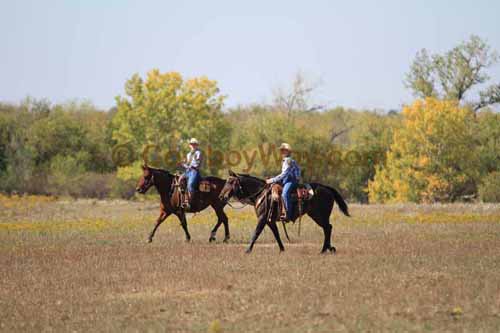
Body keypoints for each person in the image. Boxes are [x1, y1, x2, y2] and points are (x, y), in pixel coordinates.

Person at [266, 143, 301, 222]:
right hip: (287, 179)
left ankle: (287, 214)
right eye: (281, 150)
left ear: (287, 152)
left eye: (283, 150)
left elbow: (284, 174)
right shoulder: (286, 160)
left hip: (292, 180)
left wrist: (271, 180)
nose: (282, 152)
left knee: (285, 193)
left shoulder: (288, 161)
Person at [180, 138, 202, 209]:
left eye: (194, 144)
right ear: (190, 145)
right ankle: (182, 199)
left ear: (196, 145)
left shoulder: (198, 153)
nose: (193, 145)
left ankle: (190, 201)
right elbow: (187, 165)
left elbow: (198, 163)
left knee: (190, 184)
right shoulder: (188, 154)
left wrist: (193, 166)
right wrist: (183, 164)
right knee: (180, 180)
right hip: (188, 171)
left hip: (194, 171)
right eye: (192, 144)